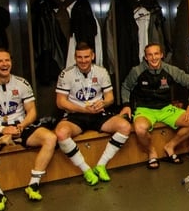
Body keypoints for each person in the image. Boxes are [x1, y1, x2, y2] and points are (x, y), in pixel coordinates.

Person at [0, 49, 57, 211]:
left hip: (20, 126)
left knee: (50, 138)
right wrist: (3, 130)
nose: (5, 64)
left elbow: (32, 112)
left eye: (7, 60)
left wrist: (21, 126)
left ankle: (33, 185)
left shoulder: (21, 83)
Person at [55, 42, 132, 185]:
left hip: (97, 113)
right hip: (76, 114)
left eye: (86, 57)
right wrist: (84, 109)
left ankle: (101, 165)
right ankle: (86, 170)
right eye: (79, 57)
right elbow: (60, 102)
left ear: (93, 56)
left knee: (125, 127)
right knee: (61, 133)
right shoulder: (66, 74)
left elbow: (110, 97)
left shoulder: (101, 71)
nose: (83, 60)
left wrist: (104, 103)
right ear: (75, 57)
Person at [120, 43, 189, 169]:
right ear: (145, 57)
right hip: (145, 109)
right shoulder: (137, 71)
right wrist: (126, 105)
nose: (153, 58)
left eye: (156, 54)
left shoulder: (170, 70)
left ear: (161, 55)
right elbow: (125, 87)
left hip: (166, 108)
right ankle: (151, 152)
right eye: (150, 55)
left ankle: (170, 146)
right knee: (140, 129)